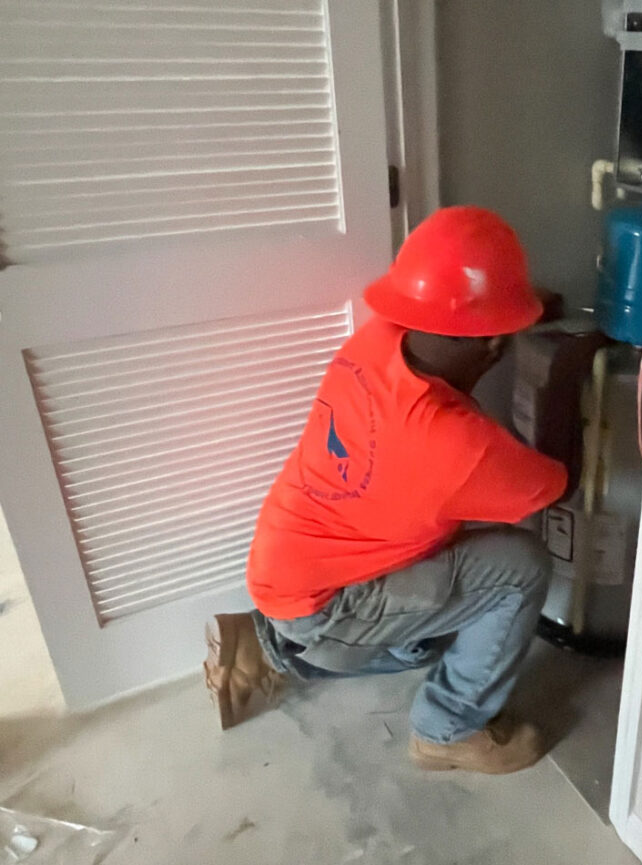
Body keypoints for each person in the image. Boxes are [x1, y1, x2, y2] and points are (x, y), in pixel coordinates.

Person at [203, 207, 567, 774]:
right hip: (325, 607)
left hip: (286, 563)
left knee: (451, 580)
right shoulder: (457, 445)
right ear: (494, 341)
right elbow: (558, 485)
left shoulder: (377, 340)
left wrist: (515, 307)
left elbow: (453, 305)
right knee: (516, 569)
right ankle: (446, 731)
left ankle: (263, 636)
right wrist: (567, 372)